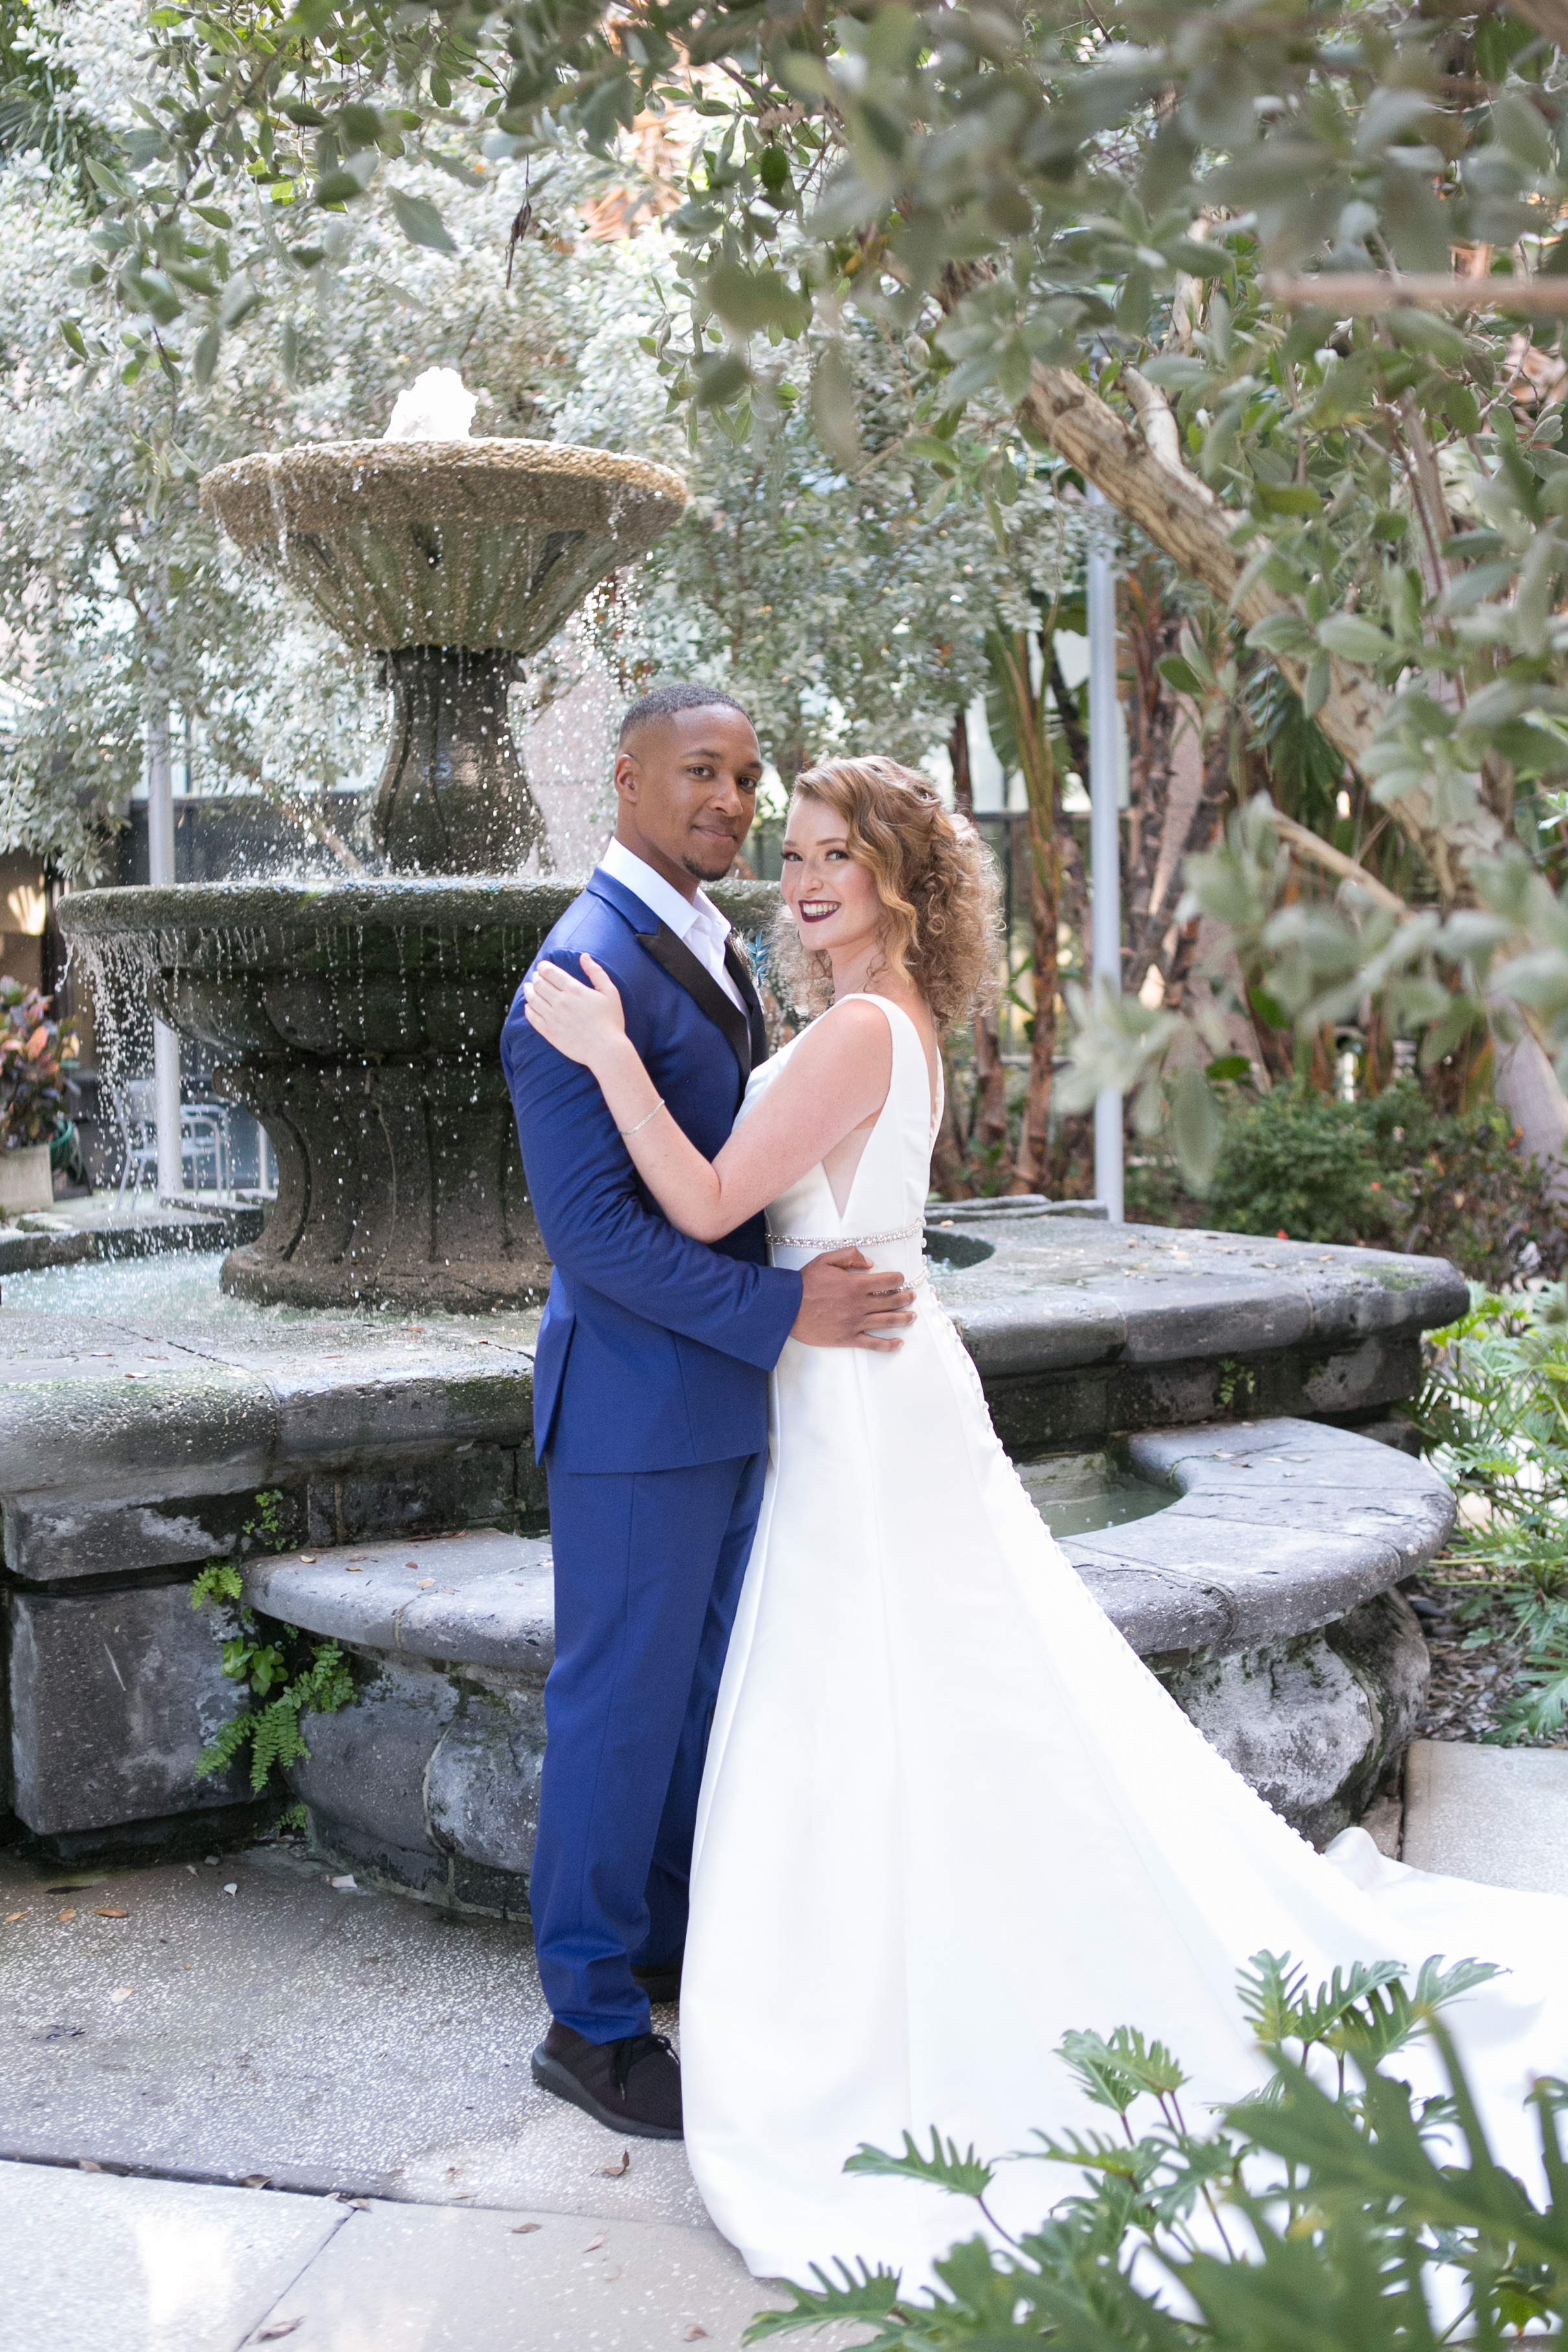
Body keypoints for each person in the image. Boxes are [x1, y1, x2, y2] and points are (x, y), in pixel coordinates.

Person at [525, 749, 1568, 2287]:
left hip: (859, 1401)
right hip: (868, 1373)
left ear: (897, 880)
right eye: (796, 852)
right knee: (942, 1680)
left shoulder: (855, 1030)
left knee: (872, 1680)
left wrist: (610, 1051)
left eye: (836, 855)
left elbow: (695, 1201)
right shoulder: (887, 1020)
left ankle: (904, 1986)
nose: (803, 877)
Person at [500, 687, 916, 2146]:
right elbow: (599, 1241)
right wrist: (782, 1313)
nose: (733, 803)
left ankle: (667, 1944)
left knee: (693, 1706)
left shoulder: (710, 941)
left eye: (748, 778)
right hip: (634, 1411)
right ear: (623, 779)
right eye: (701, 773)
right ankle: (590, 2022)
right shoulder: (576, 974)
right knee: (615, 1711)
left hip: (730, 1407)